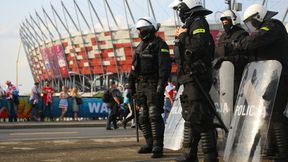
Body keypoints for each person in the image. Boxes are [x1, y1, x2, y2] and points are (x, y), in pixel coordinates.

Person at [231, 4, 288, 161]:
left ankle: (284, 153)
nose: (251, 27)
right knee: (267, 114)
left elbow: (253, 42)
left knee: (276, 114)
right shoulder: (264, 30)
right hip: (269, 78)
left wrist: (238, 43)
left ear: (259, 17)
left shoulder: (273, 26)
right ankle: (271, 148)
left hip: (280, 77)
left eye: (251, 22)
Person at [169, 0, 218, 161]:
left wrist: (183, 37)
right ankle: (189, 155)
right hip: (188, 78)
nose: (179, 13)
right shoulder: (190, 25)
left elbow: (199, 46)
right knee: (191, 116)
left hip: (197, 77)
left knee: (201, 116)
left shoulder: (198, 23)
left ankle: (210, 157)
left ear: (188, 8)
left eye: (180, 9)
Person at [128, 16, 172, 158]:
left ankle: (158, 147)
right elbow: (133, 70)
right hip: (141, 85)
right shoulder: (139, 47)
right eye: (138, 30)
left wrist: (161, 86)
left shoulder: (160, 45)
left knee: (154, 116)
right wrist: (131, 88)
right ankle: (149, 143)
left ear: (150, 29)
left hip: (154, 85)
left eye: (142, 29)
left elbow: (164, 68)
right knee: (142, 117)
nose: (140, 32)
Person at [214, 9, 250, 101]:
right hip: (222, 77)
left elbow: (246, 58)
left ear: (233, 20)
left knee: (235, 101)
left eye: (226, 21)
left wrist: (228, 59)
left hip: (237, 76)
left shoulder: (242, 34)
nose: (224, 24)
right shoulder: (222, 36)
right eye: (223, 22)